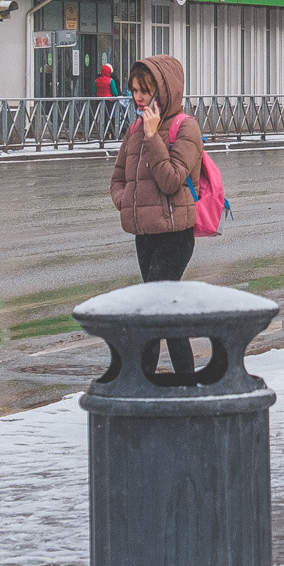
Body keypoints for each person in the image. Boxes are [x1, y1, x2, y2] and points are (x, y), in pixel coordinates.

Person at [109, 56, 204, 374]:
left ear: (163, 91)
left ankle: (141, 382)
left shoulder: (185, 128)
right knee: (164, 312)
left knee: (151, 309)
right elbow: (118, 178)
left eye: (145, 90)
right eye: (134, 89)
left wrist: (152, 137)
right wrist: (127, 201)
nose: (137, 97)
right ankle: (185, 385)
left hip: (175, 235)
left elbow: (171, 180)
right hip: (144, 234)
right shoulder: (135, 127)